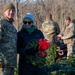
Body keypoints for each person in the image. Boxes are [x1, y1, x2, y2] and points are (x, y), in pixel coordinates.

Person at [0, 3, 17, 75]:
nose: (11, 12)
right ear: (4, 11)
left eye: (13, 10)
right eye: (9, 10)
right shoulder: (2, 23)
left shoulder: (12, 26)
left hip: (11, 63)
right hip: (3, 63)